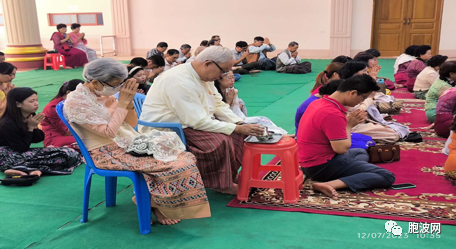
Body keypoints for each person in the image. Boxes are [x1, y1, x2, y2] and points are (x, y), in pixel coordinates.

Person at [63, 58, 210, 225]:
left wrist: (129, 103)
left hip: (127, 142)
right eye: (115, 84)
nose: (118, 88)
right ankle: (153, 204)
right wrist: (122, 103)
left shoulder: (102, 93)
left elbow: (132, 123)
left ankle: (152, 202)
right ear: (96, 82)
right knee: (171, 164)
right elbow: (109, 132)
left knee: (184, 157)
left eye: (120, 83)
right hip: (105, 153)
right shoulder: (77, 101)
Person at [140, 46, 264, 195]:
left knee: (238, 134)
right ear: (208, 64)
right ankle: (220, 183)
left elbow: (218, 103)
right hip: (168, 129)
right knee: (220, 141)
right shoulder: (179, 81)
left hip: (189, 123)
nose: (221, 76)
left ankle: (228, 177)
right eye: (222, 71)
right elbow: (196, 121)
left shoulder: (203, 75)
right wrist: (236, 128)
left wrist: (239, 123)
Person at [297, 75, 395, 199]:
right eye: (363, 98)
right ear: (353, 93)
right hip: (321, 166)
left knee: (360, 152)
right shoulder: (332, 113)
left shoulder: (319, 103)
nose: (361, 102)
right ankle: (329, 184)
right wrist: (349, 126)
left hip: (308, 162)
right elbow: (341, 149)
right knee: (387, 176)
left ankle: (351, 172)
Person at [0, 88, 82, 177]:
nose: (36, 103)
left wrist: (34, 127)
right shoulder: (7, 123)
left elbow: (38, 139)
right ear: (18, 104)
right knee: (64, 154)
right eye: (32, 101)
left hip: (21, 153)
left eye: (36, 100)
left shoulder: (30, 116)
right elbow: (21, 148)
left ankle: (25, 169)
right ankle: (19, 167)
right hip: (7, 156)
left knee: (69, 153)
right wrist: (30, 128)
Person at [41, 80, 83, 149]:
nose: (84, 97)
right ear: (68, 93)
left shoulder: (76, 103)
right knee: (88, 142)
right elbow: (66, 131)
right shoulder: (53, 107)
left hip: (74, 133)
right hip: (55, 136)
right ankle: (62, 148)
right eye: (82, 94)